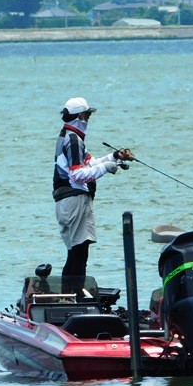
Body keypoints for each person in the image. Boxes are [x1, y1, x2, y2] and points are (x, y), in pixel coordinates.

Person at [52, 97, 135, 278]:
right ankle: (75, 292)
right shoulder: (73, 140)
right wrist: (106, 168)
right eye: (88, 116)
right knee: (79, 253)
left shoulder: (68, 136)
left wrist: (115, 156)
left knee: (76, 253)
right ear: (81, 116)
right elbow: (77, 175)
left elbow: (90, 163)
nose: (88, 120)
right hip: (74, 201)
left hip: (66, 202)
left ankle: (71, 291)